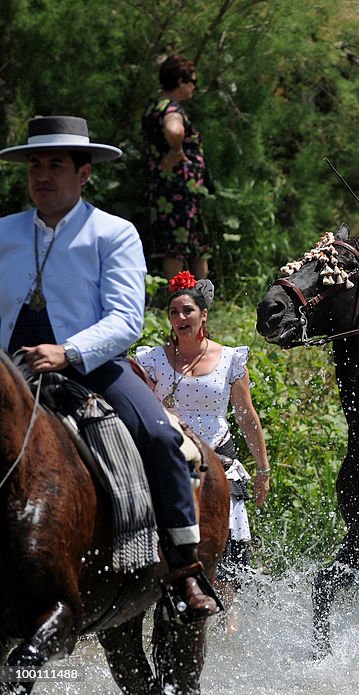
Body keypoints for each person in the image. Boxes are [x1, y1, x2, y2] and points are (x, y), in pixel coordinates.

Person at [0, 115, 217, 617]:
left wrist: (69, 352)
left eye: (55, 164)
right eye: (35, 165)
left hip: (91, 366)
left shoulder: (113, 233)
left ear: (84, 174)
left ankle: (184, 568)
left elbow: (125, 319)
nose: (42, 175)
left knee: (162, 437)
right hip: (10, 368)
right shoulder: (4, 232)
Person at [137, 271, 271, 627]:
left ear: (203, 315)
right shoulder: (153, 360)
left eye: (187, 311)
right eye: (174, 313)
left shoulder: (229, 360)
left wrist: (263, 469)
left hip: (219, 461)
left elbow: (246, 417)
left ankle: (229, 627)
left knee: (229, 556)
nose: (180, 318)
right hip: (170, 458)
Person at [141, 54, 214, 280]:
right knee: (177, 247)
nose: (194, 87)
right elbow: (174, 129)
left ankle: (190, 301)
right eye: (192, 81)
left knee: (188, 245)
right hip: (179, 191)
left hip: (166, 188)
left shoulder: (153, 106)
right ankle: (185, 301)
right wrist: (177, 151)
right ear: (180, 81)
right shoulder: (171, 109)